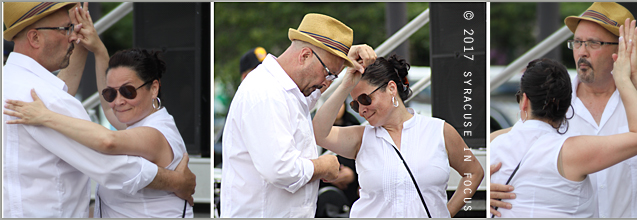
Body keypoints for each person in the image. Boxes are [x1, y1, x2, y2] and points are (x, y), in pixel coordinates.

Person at [489, 2, 637, 218]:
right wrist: (488, 185)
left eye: (593, 43)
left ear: (621, 49)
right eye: (577, 42)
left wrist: (635, 76)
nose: (582, 52)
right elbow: (518, 136)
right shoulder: (557, 100)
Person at [2, 2, 195, 217]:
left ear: (154, 88)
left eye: (128, 91)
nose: (73, 37)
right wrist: (178, 181)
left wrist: (93, 48)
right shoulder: (44, 100)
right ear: (35, 38)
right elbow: (114, 166)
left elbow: (67, 103)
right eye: (66, 29)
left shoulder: (13, 85)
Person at [220, 13, 376, 217]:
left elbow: (310, 96)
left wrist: (344, 65)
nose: (325, 82)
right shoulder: (267, 93)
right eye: (328, 72)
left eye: (332, 77)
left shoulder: (283, 89)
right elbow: (280, 170)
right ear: (304, 56)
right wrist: (323, 166)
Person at [312, 54, 484, 217]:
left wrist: (447, 213)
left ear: (391, 88)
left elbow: (474, 172)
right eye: (355, 105)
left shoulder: (439, 130)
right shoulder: (361, 137)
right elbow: (318, 132)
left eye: (365, 99)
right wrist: (346, 85)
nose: (362, 110)